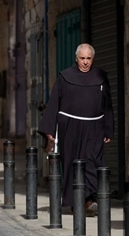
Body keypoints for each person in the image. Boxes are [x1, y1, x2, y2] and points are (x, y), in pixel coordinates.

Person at [37, 43, 114, 215]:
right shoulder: (65, 77)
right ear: (76, 58)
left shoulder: (101, 77)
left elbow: (107, 105)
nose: (85, 62)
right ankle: (78, 200)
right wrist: (49, 129)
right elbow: (54, 103)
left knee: (94, 162)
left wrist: (109, 128)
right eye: (82, 58)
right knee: (73, 164)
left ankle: (90, 199)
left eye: (88, 58)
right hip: (70, 127)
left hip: (95, 127)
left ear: (93, 59)